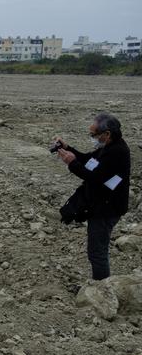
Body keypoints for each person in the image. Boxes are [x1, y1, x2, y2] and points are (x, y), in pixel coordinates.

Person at [55, 113, 131, 280]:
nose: (92, 138)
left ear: (107, 134)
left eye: (93, 135)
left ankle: (101, 291)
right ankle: (101, 286)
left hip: (106, 210)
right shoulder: (108, 146)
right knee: (96, 251)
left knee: (97, 253)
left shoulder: (117, 152)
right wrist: (68, 149)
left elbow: (94, 177)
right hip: (100, 205)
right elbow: (88, 159)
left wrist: (72, 164)